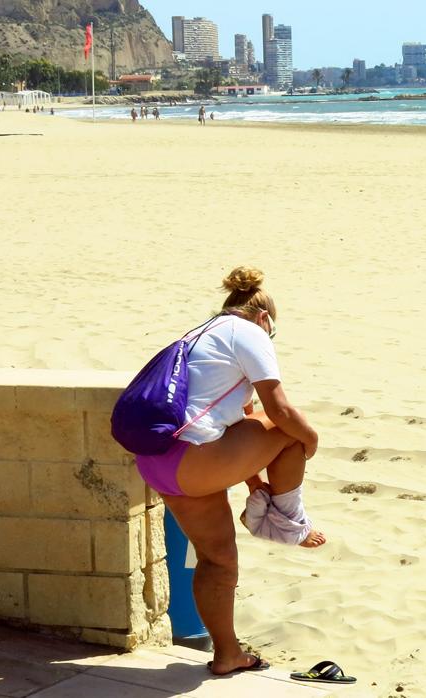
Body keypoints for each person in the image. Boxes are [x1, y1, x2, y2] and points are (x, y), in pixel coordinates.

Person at [134, 266, 324, 676]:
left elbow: (233, 429)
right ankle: (289, 520)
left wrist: (255, 482)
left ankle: (227, 655)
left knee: (217, 560)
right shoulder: (250, 333)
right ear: (264, 318)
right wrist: (310, 440)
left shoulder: (200, 333)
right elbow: (279, 411)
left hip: (158, 463)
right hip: (193, 460)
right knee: (292, 429)